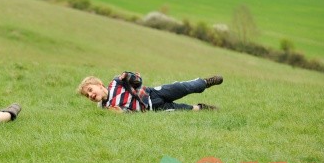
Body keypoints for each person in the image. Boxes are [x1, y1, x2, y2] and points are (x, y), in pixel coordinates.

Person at [77, 71, 223, 112]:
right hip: (154, 110)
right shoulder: (104, 108)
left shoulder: (117, 82)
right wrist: (119, 113)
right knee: (184, 110)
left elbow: (138, 81)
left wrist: (128, 76)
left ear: (99, 84)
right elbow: (128, 112)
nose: (90, 95)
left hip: (153, 94)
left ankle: (204, 83)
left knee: (182, 87)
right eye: (87, 95)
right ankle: (203, 108)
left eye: (90, 90)